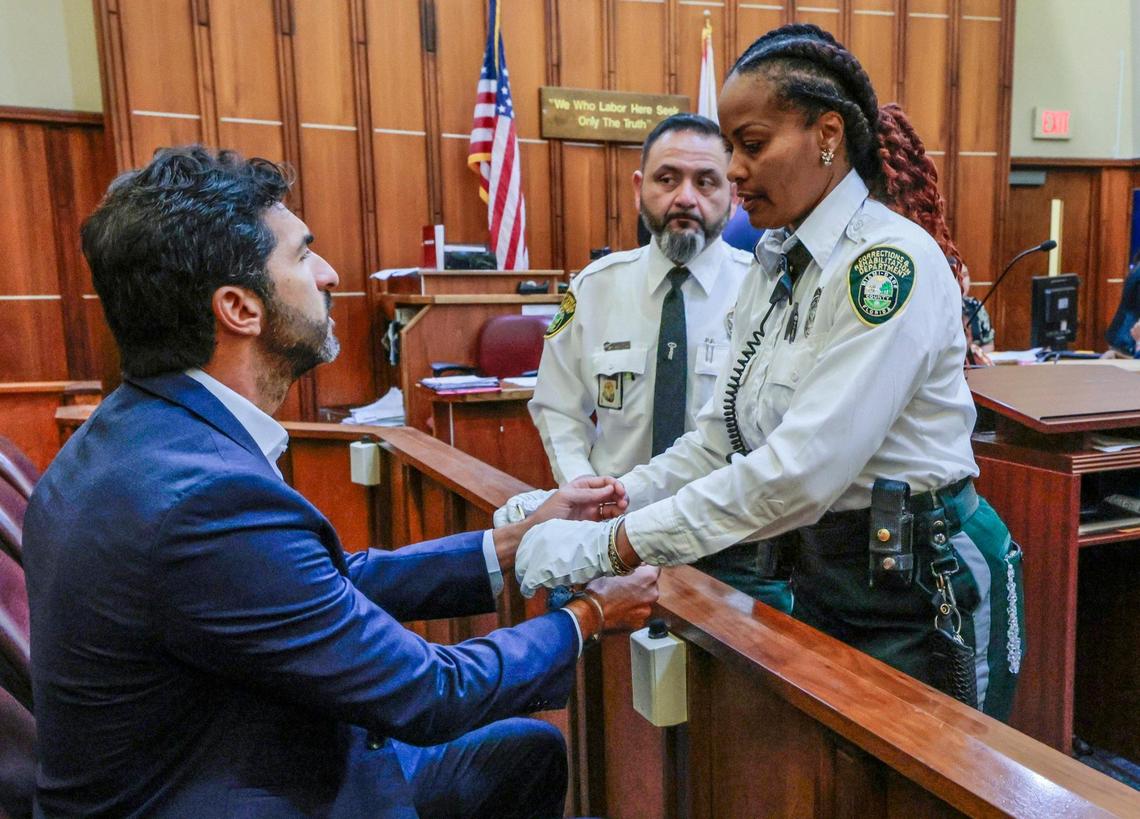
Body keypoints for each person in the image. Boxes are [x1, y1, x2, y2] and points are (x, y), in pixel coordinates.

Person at [22, 146, 659, 818]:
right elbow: (429, 691)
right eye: (302, 256)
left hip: (239, 757)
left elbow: (319, 583)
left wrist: (513, 542)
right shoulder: (201, 500)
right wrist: (590, 614)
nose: (329, 274)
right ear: (239, 307)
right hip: (235, 790)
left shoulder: (126, 433)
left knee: (525, 753)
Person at [514, 24, 1026, 721]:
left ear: (827, 135)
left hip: (920, 589)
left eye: (750, 145)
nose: (734, 170)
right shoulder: (776, 265)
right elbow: (718, 439)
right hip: (825, 578)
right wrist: (608, 498)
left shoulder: (885, 265)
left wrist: (612, 543)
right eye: (729, 147)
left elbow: (797, 473)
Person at [527, 113, 788, 608]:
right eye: (667, 179)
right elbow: (558, 408)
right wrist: (581, 490)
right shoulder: (595, 288)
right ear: (638, 187)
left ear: (732, 194)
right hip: (608, 537)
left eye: (706, 181)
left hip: (731, 550)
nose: (685, 198)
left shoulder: (767, 290)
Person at [955, 257, 995, 366]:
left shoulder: (975, 306)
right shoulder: (940, 308)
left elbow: (988, 343)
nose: (962, 280)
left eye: (965, 275)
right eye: (957, 275)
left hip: (977, 369)